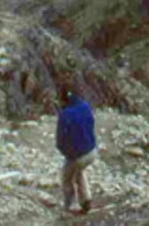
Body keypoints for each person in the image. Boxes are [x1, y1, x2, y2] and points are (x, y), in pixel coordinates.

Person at [56, 86, 96, 214]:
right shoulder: (84, 105)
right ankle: (86, 200)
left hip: (78, 155)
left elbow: (61, 138)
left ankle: (70, 206)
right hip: (91, 151)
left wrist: (66, 152)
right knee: (79, 171)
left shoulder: (65, 114)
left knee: (66, 178)